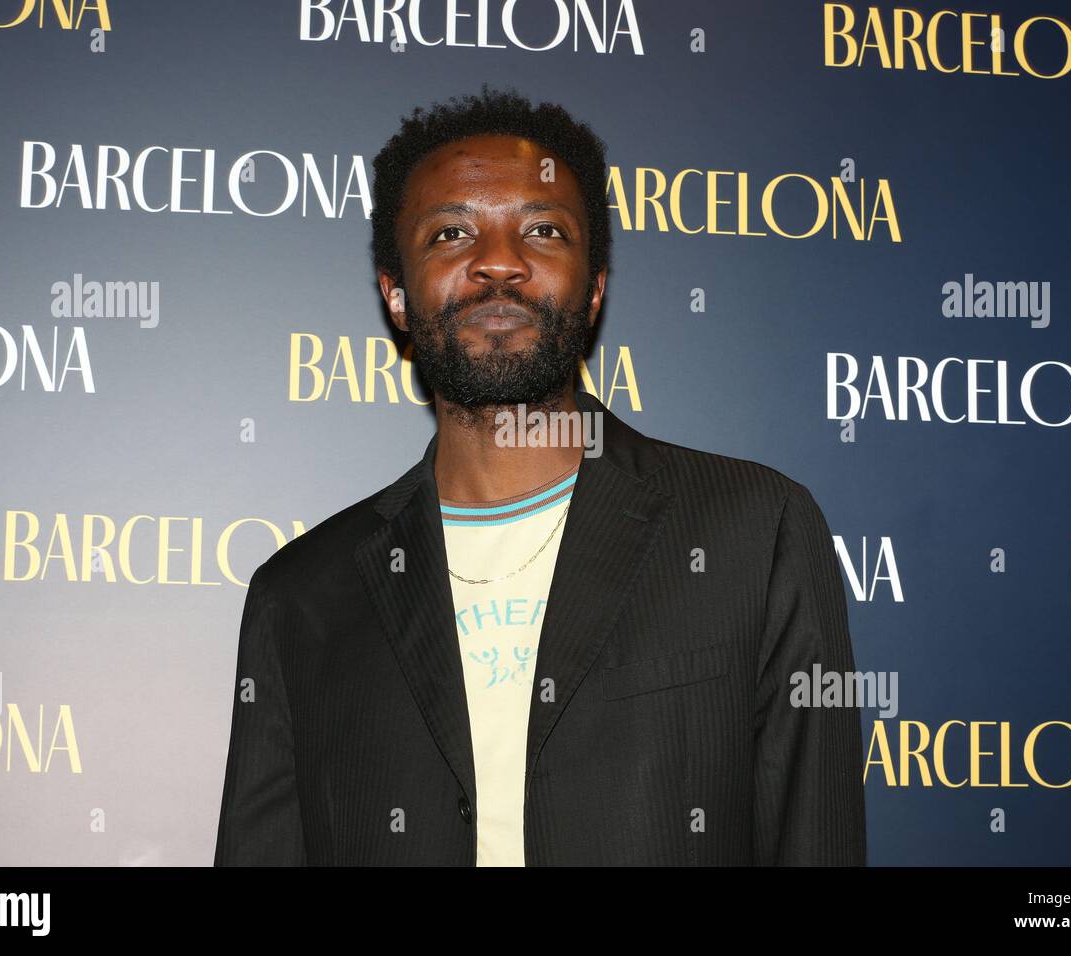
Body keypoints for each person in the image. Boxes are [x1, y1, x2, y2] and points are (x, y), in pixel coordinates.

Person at [214, 85, 866, 866]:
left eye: (543, 230)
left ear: (593, 289)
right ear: (395, 294)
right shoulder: (303, 596)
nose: (498, 262)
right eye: (452, 232)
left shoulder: (753, 531)